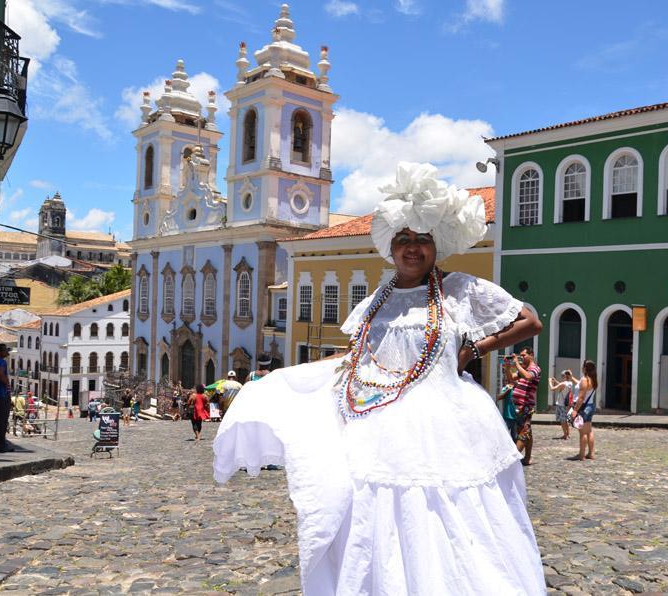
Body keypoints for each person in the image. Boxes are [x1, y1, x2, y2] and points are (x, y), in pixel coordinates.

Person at [213, 162, 546, 594]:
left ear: (435, 245)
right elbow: (358, 355)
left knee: (445, 509)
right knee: (376, 507)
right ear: (390, 246)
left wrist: (474, 349)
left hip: (443, 419)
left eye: (421, 240)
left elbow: (530, 321)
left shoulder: (458, 289)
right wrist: (282, 377)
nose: (412, 248)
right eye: (403, 239)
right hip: (377, 417)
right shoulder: (375, 299)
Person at [511, 347, 541, 465]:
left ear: (531, 355)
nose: (521, 357)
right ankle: (527, 458)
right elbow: (511, 377)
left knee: (523, 433)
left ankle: (513, 460)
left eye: (523, 355)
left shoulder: (535, 368)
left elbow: (529, 376)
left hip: (525, 405)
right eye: (520, 355)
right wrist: (508, 367)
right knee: (526, 431)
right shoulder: (524, 369)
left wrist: (517, 364)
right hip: (518, 406)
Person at [569, 360, 598, 461]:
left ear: (585, 368)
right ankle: (591, 453)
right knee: (589, 431)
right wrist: (572, 377)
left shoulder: (585, 380)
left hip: (583, 407)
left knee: (582, 433)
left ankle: (581, 455)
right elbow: (581, 386)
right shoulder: (593, 379)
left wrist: (575, 410)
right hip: (590, 406)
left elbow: (581, 397)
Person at [0, 344, 14, 452]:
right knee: (2, 421)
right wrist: (7, 384)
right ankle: (0, 445)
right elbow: (0, 374)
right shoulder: (2, 362)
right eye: (6, 350)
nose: (8, 352)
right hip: (2, 395)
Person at [548, 369, 577, 440]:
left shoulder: (563, 384)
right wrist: (555, 381)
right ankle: (568, 434)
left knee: (562, 421)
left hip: (561, 404)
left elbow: (552, 388)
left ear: (564, 376)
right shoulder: (570, 383)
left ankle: (565, 435)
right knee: (566, 420)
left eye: (562, 376)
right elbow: (562, 386)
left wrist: (550, 382)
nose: (561, 377)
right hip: (567, 404)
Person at [495, 356, 519, 437]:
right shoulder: (507, 387)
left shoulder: (518, 388)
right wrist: (507, 391)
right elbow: (499, 397)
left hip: (516, 417)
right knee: (504, 435)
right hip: (507, 417)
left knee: (515, 437)